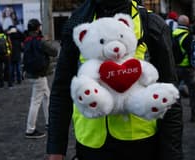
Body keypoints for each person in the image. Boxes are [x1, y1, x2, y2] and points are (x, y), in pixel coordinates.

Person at [46, 0, 182, 160]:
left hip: (140, 146)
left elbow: (170, 96)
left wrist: (171, 153)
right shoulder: (77, 23)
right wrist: (56, 148)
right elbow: (61, 90)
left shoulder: (151, 24)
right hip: (91, 146)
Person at [24, 18, 58, 139]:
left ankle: (50, 122)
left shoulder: (27, 40)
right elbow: (54, 52)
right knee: (36, 101)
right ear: (38, 28)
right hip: (40, 75)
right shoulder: (40, 41)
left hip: (32, 73)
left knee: (46, 97)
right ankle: (30, 129)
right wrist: (47, 40)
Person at [172, 15, 195, 122]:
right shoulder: (187, 36)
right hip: (186, 68)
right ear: (187, 24)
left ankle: (175, 115)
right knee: (193, 89)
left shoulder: (171, 33)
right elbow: (192, 52)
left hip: (175, 67)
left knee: (174, 91)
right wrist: (194, 65)